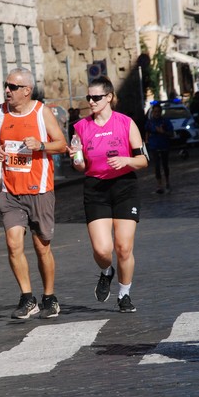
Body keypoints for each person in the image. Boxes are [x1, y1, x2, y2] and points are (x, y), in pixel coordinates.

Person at [0, 67, 67, 320]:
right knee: (13, 244)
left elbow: (62, 145)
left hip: (39, 190)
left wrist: (41, 145)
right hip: (10, 192)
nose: (7, 90)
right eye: (6, 85)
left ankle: (50, 297)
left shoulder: (41, 112)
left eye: (12, 86)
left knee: (41, 247)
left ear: (26, 91)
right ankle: (27, 297)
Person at [67, 76, 148, 312]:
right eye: (88, 98)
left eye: (96, 97)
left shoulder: (125, 123)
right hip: (95, 189)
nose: (91, 102)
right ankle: (106, 271)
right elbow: (80, 166)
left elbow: (144, 160)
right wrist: (77, 158)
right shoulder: (80, 128)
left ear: (109, 97)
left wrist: (126, 160)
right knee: (103, 250)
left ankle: (124, 294)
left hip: (124, 187)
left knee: (123, 247)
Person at [145, 102, 174, 193]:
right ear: (153, 112)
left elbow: (171, 133)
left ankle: (167, 182)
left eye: (158, 111)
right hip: (154, 146)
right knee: (157, 166)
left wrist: (163, 132)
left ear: (161, 112)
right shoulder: (150, 123)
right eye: (155, 112)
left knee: (165, 165)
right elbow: (147, 132)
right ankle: (159, 184)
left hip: (164, 145)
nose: (157, 113)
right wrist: (146, 142)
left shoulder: (165, 121)